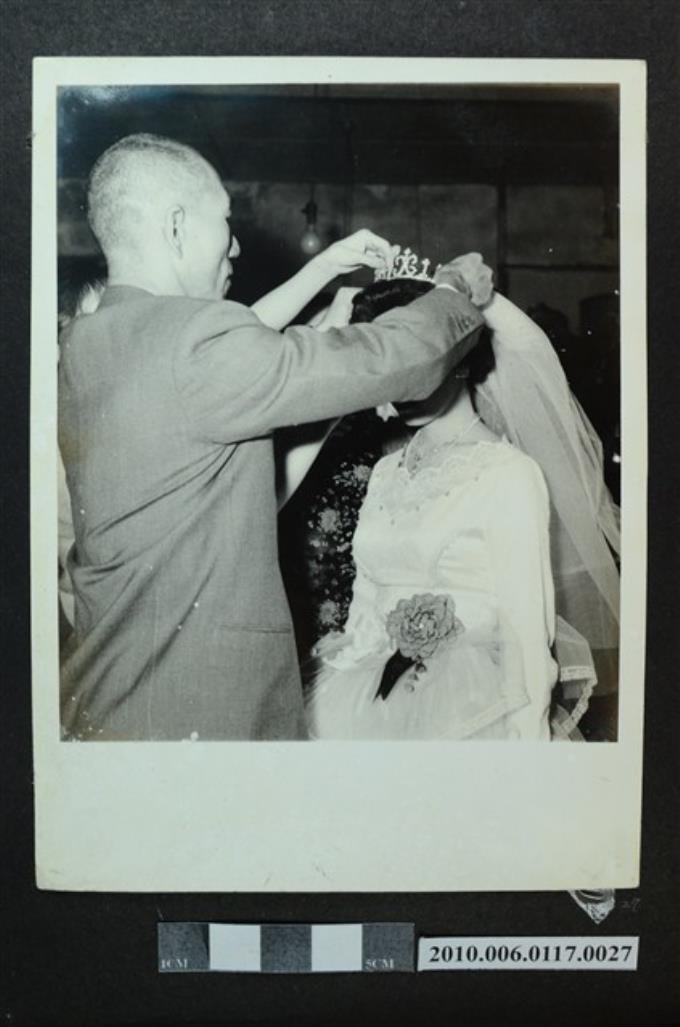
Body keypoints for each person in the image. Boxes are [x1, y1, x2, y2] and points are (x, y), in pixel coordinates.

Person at [58, 133, 491, 741]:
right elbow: (398, 358)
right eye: (224, 221)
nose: (234, 243)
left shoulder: (87, 344)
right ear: (177, 227)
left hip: (114, 695)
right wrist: (451, 295)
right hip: (197, 705)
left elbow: (226, 464)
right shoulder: (195, 343)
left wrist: (320, 321)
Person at [305, 261, 620, 741]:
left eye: (418, 360)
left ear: (463, 360)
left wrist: (527, 745)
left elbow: (526, 631)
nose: (401, 382)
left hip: (470, 707)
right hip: (369, 698)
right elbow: (364, 603)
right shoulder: (388, 471)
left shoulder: (507, 473)